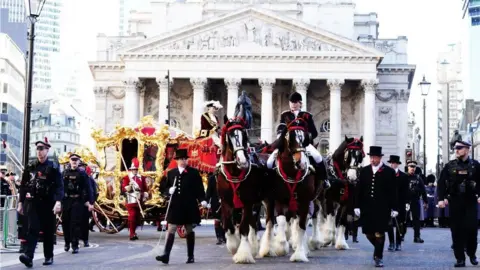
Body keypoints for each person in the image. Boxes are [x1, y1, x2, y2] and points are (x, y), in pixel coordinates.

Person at [17, 137, 63, 267]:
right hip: (33, 202)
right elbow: (23, 185)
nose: (39, 151)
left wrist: (58, 201)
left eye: (42, 148)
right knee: (33, 228)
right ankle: (28, 256)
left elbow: (60, 186)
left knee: (48, 231)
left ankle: (48, 256)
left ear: (47, 150)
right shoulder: (31, 167)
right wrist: (20, 202)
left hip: (48, 203)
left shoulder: (53, 167)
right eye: (37, 148)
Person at [156, 149, 207, 264]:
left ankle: (190, 256)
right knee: (171, 229)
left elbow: (199, 189)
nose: (184, 161)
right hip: (175, 205)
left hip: (189, 205)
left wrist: (202, 200)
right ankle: (166, 255)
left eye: (185, 159)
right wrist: (169, 190)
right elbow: (163, 188)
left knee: (189, 230)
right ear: (177, 160)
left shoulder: (194, 173)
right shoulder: (171, 173)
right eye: (181, 159)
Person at [437, 140, 480, 267]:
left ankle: (471, 253)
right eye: (455, 148)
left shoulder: (476, 165)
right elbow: (441, 183)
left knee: (472, 229)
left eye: (460, 148)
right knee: (456, 230)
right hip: (455, 201)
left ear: (467, 150)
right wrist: (441, 198)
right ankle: (460, 258)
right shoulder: (449, 166)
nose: (456, 150)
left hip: (470, 201)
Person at [354, 146, 397, 267]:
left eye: (374, 157)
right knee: (368, 233)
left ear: (380, 158)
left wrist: (394, 208)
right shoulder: (364, 171)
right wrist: (356, 206)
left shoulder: (389, 172)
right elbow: (359, 190)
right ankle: (378, 249)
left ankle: (378, 257)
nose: (372, 160)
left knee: (379, 233)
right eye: (371, 157)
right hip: (367, 207)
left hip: (382, 208)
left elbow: (393, 192)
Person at [266, 92, 322, 171]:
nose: (293, 104)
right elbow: (281, 128)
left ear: (300, 103)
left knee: (318, 157)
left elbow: (314, 133)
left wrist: (305, 138)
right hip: (288, 142)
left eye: (295, 102)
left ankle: (324, 179)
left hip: (304, 144)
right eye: (291, 102)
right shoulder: (285, 115)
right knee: (269, 162)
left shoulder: (307, 115)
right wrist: (281, 137)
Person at [62, 154, 94, 253]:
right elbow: (60, 187)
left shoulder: (83, 174)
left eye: (76, 160)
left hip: (78, 201)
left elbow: (89, 188)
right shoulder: (64, 173)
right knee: (65, 223)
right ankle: (67, 242)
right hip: (67, 201)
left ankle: (75, 245)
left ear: (79, 162)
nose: (74, 162)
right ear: (69, 161)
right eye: (72, 160)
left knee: (75, 224)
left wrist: (91, 202)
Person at [121, 157, 148, 240]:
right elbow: (124, 189)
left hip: (139, 200)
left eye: (136, 169)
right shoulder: (126, 178)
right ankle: (131, 234)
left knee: (137, 217)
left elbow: (145, 188)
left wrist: (145, 194)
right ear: (131, 169)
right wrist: (129, 186)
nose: (135, 170)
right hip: (131, 200)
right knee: (132, 216)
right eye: (134, 169)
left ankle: (134, 232)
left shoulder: (142, 178)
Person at [386, 155, 408, 252]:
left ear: (397, 164)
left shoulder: (403, 176)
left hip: (400, 203)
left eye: (394, 163)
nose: (392, 164)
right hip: (389, 204)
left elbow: (406, 191)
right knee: (389, 224)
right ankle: (391, 243)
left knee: (400, 224)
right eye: (391, 163)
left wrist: (407, 202)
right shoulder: (386, 174)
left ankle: (398, 243)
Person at [405, 160, 427, 243]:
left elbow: (423, 191)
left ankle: (417, 237)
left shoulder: (418, 178)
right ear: (408, 167)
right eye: (411, 166)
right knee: (404, 219)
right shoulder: (404, 177)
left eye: (414, 167)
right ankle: (401, 235)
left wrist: (426, 202)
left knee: (416, 219)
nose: (412, 168)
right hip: (405, 201)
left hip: (415, 200)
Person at [205, 174, 225, 245]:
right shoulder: (212, 178)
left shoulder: (227, 177)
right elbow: (209, 191)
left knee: (225, 220)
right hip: (215, 202)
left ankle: (224, 236)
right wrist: (206, 201)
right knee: (217, 221)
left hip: (226, 201)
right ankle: (219, 237)